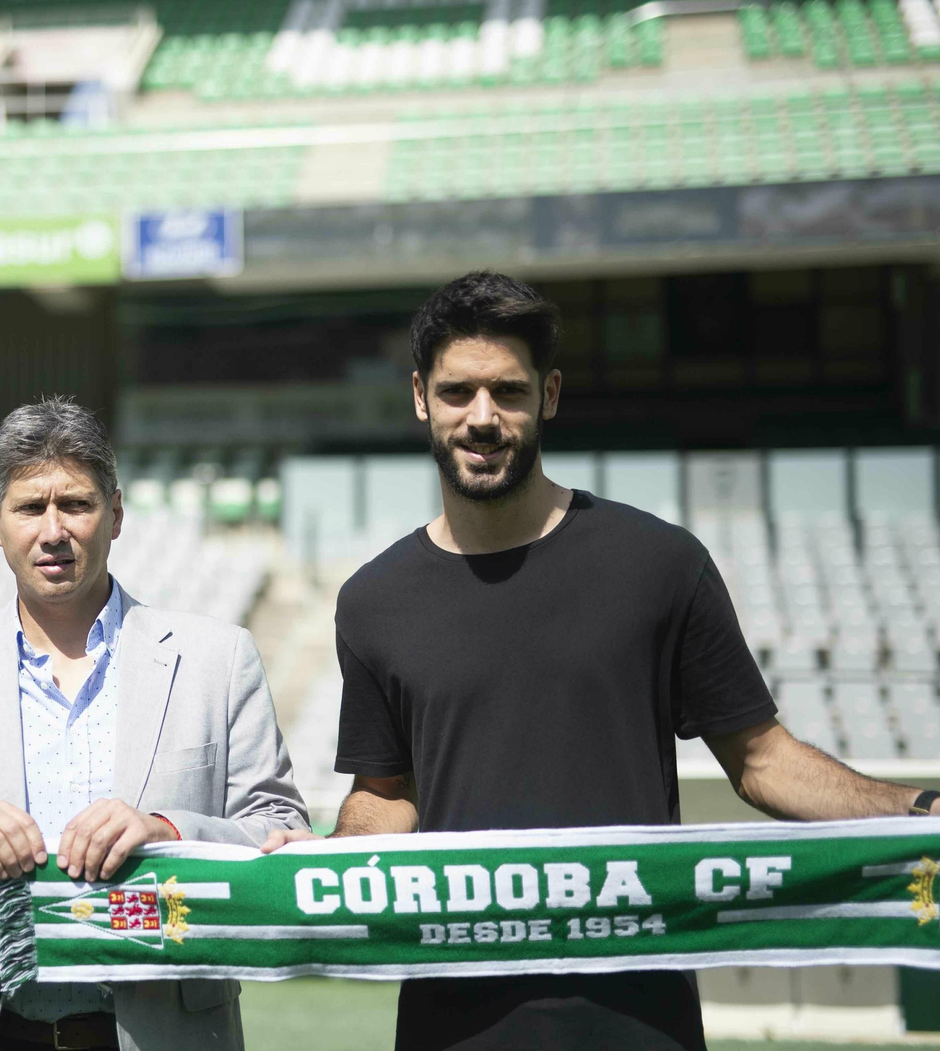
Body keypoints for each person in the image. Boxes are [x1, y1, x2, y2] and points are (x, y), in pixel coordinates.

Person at [262, 271, 940, 1051]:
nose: (482, 418)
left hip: (638, 1017)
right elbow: (388, 794)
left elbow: (763, 761)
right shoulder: (373, 600)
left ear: (549, 394)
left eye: (507, 391)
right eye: (457, 393)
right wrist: (326, 864)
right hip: (453, 1023)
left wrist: (918, 812)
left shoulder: (657, 564)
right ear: (420, 397)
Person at [0, 398, 307, 1051]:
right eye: (31, 507)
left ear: (115, 515)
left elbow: (281, 833)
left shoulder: (217, 658)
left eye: (77, 505)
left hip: (164, 1029)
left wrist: (168, 830)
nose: (53, 529)